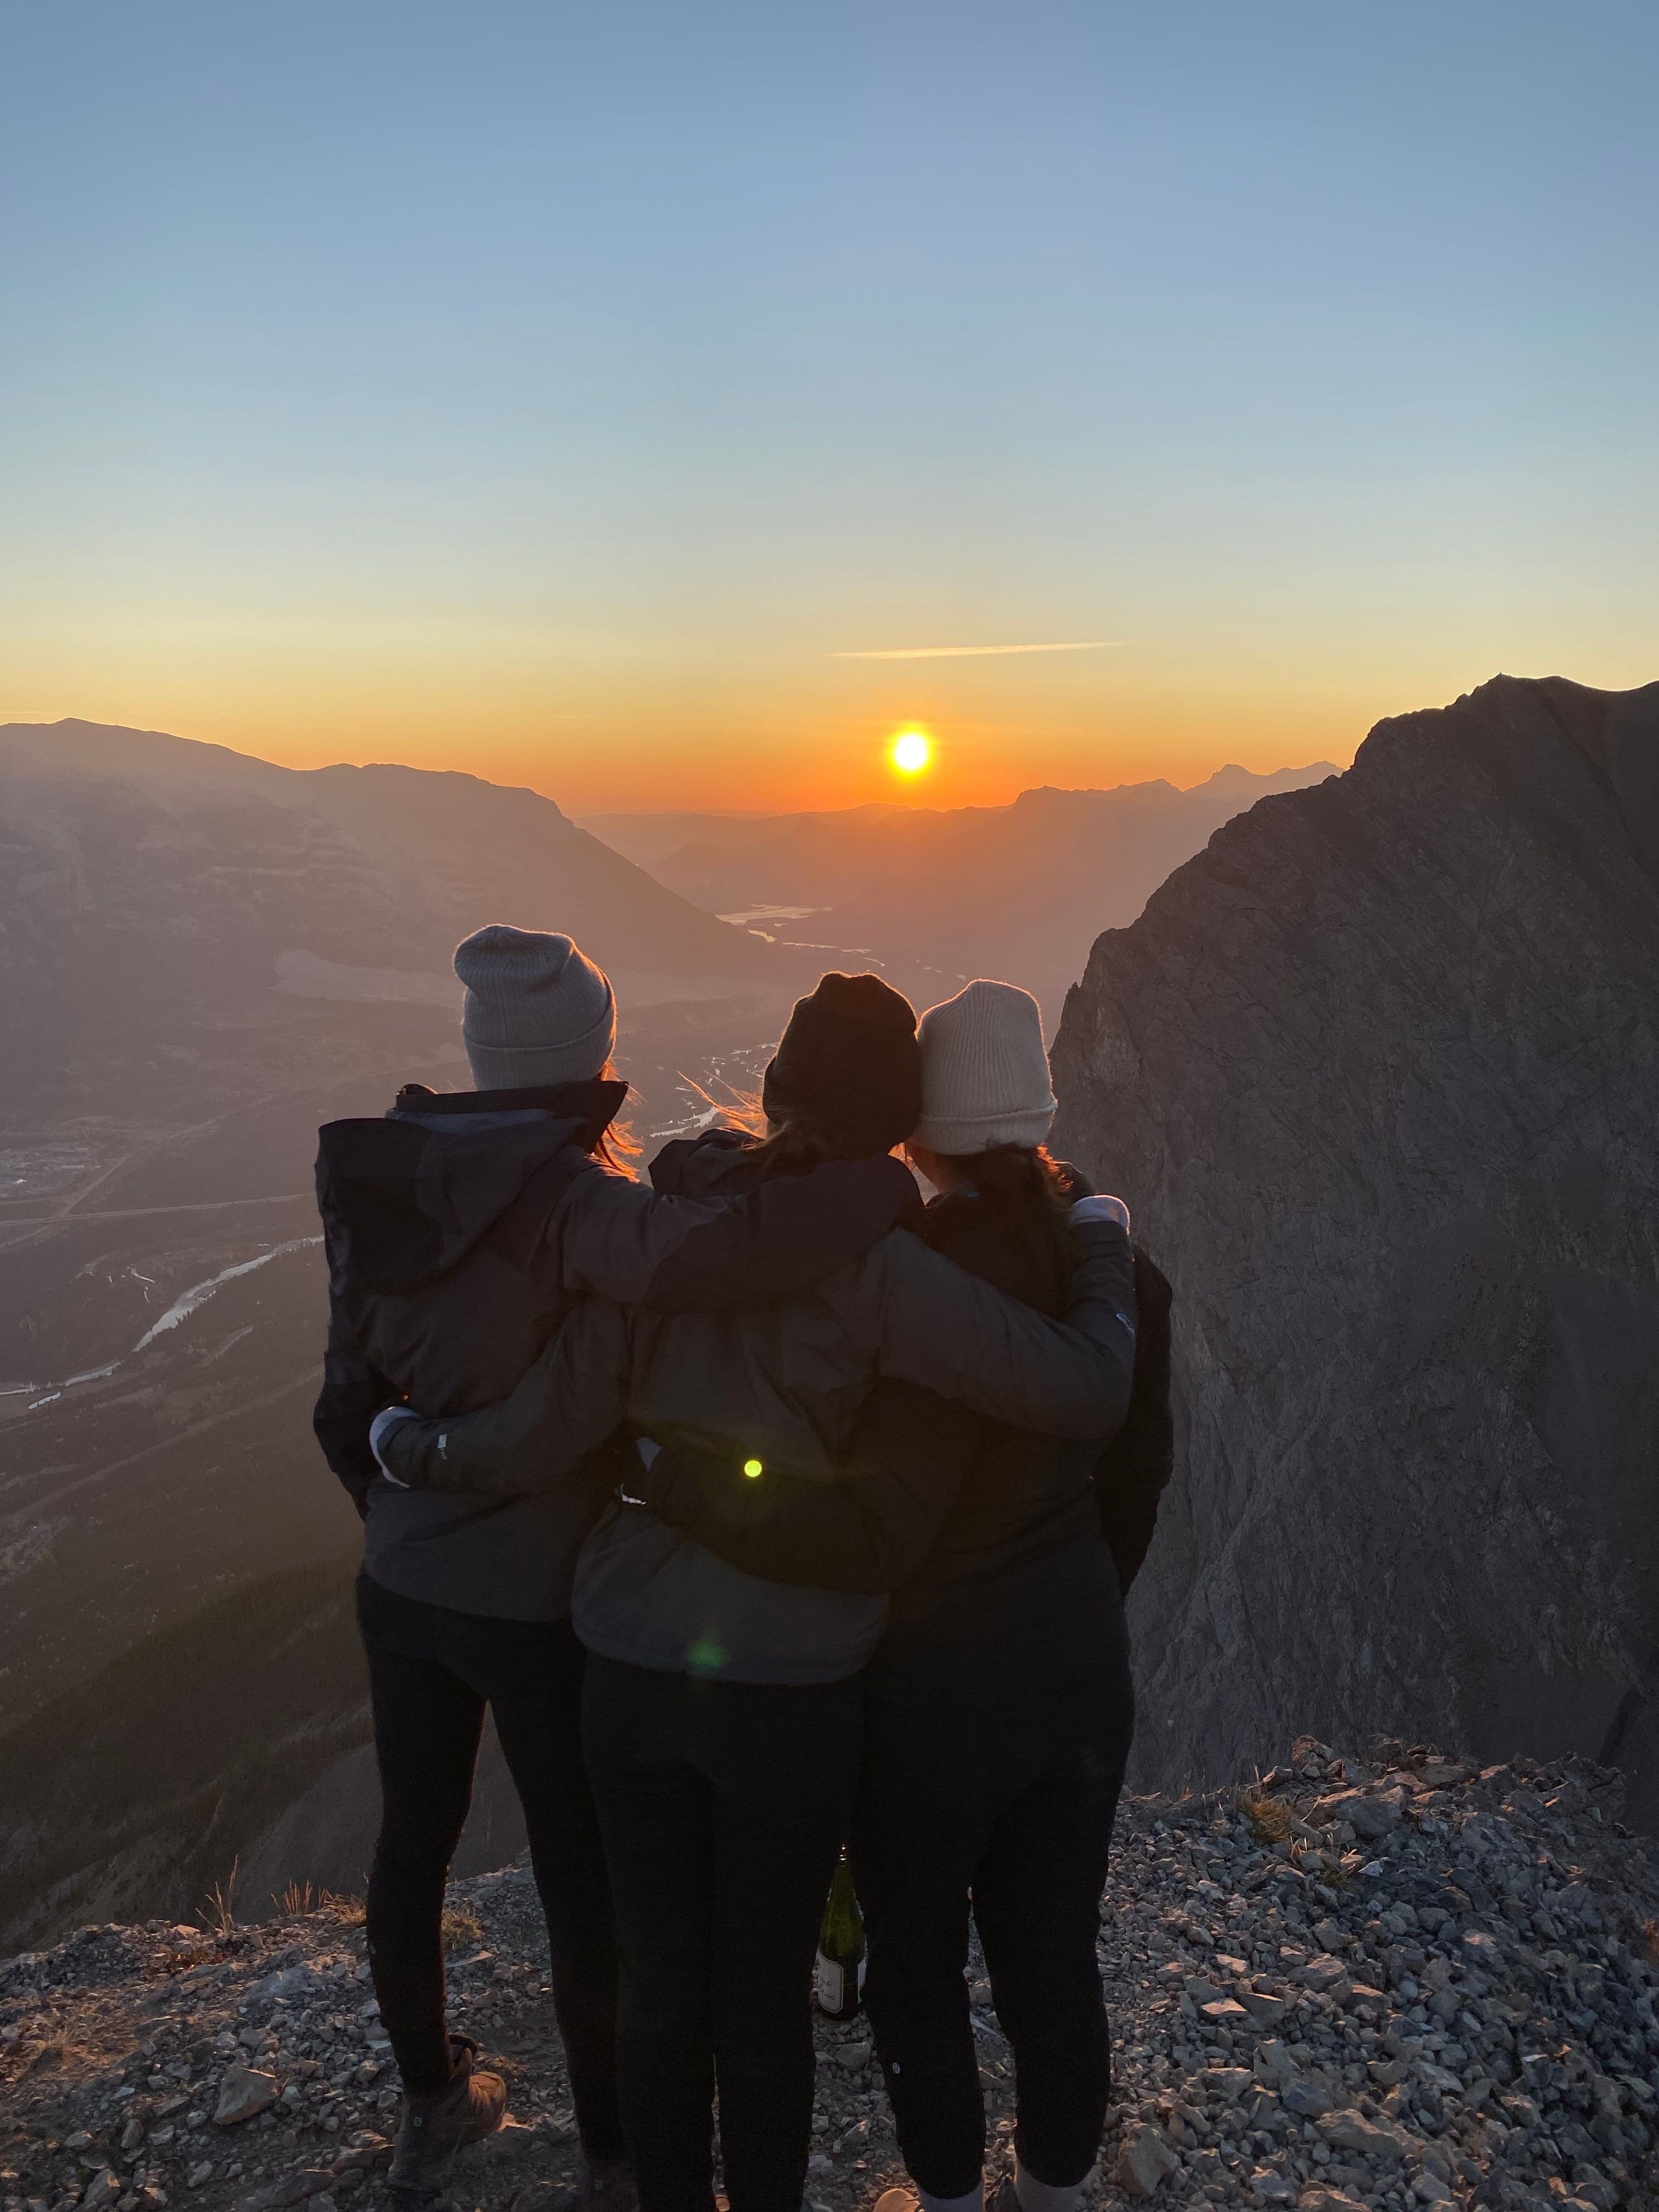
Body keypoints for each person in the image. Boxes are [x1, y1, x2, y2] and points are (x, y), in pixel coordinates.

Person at [371, 970, 1139, 2212]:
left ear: (775, 1088)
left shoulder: (658, 1234)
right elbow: (1077, 1391)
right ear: (902, 1127)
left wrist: (409, 1448)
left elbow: (547, 1430)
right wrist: (1100, 1241)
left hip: (627, 1669)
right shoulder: (889, 1274)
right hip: (791, 1691)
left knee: (664, 1986)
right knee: (763, 1999)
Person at [313, 928, 928, 2209]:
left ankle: (433, 2104)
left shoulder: (383, 1169)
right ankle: (608, 2154)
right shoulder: (577, 1203)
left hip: (402, 1574)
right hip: (537, 1595)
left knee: (409, 1845)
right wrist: (880, 1185)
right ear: (586, 1053)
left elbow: (347, 1392)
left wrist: (396, 1468)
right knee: (581, 1888)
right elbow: (721, 1264)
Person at [618, 980, 1175, 2212]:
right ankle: (1059, 2190)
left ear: (921, 1133)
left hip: (932, 1695)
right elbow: (1137, 1471)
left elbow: (878, 1520)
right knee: (1053, 1954)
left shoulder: (909, 1279)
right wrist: (1083, 1603)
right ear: (1034, 1115)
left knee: (919, 1963)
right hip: (1079, 1669)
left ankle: (955, 2199)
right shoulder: (1120, 1276)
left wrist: (689, 1489)